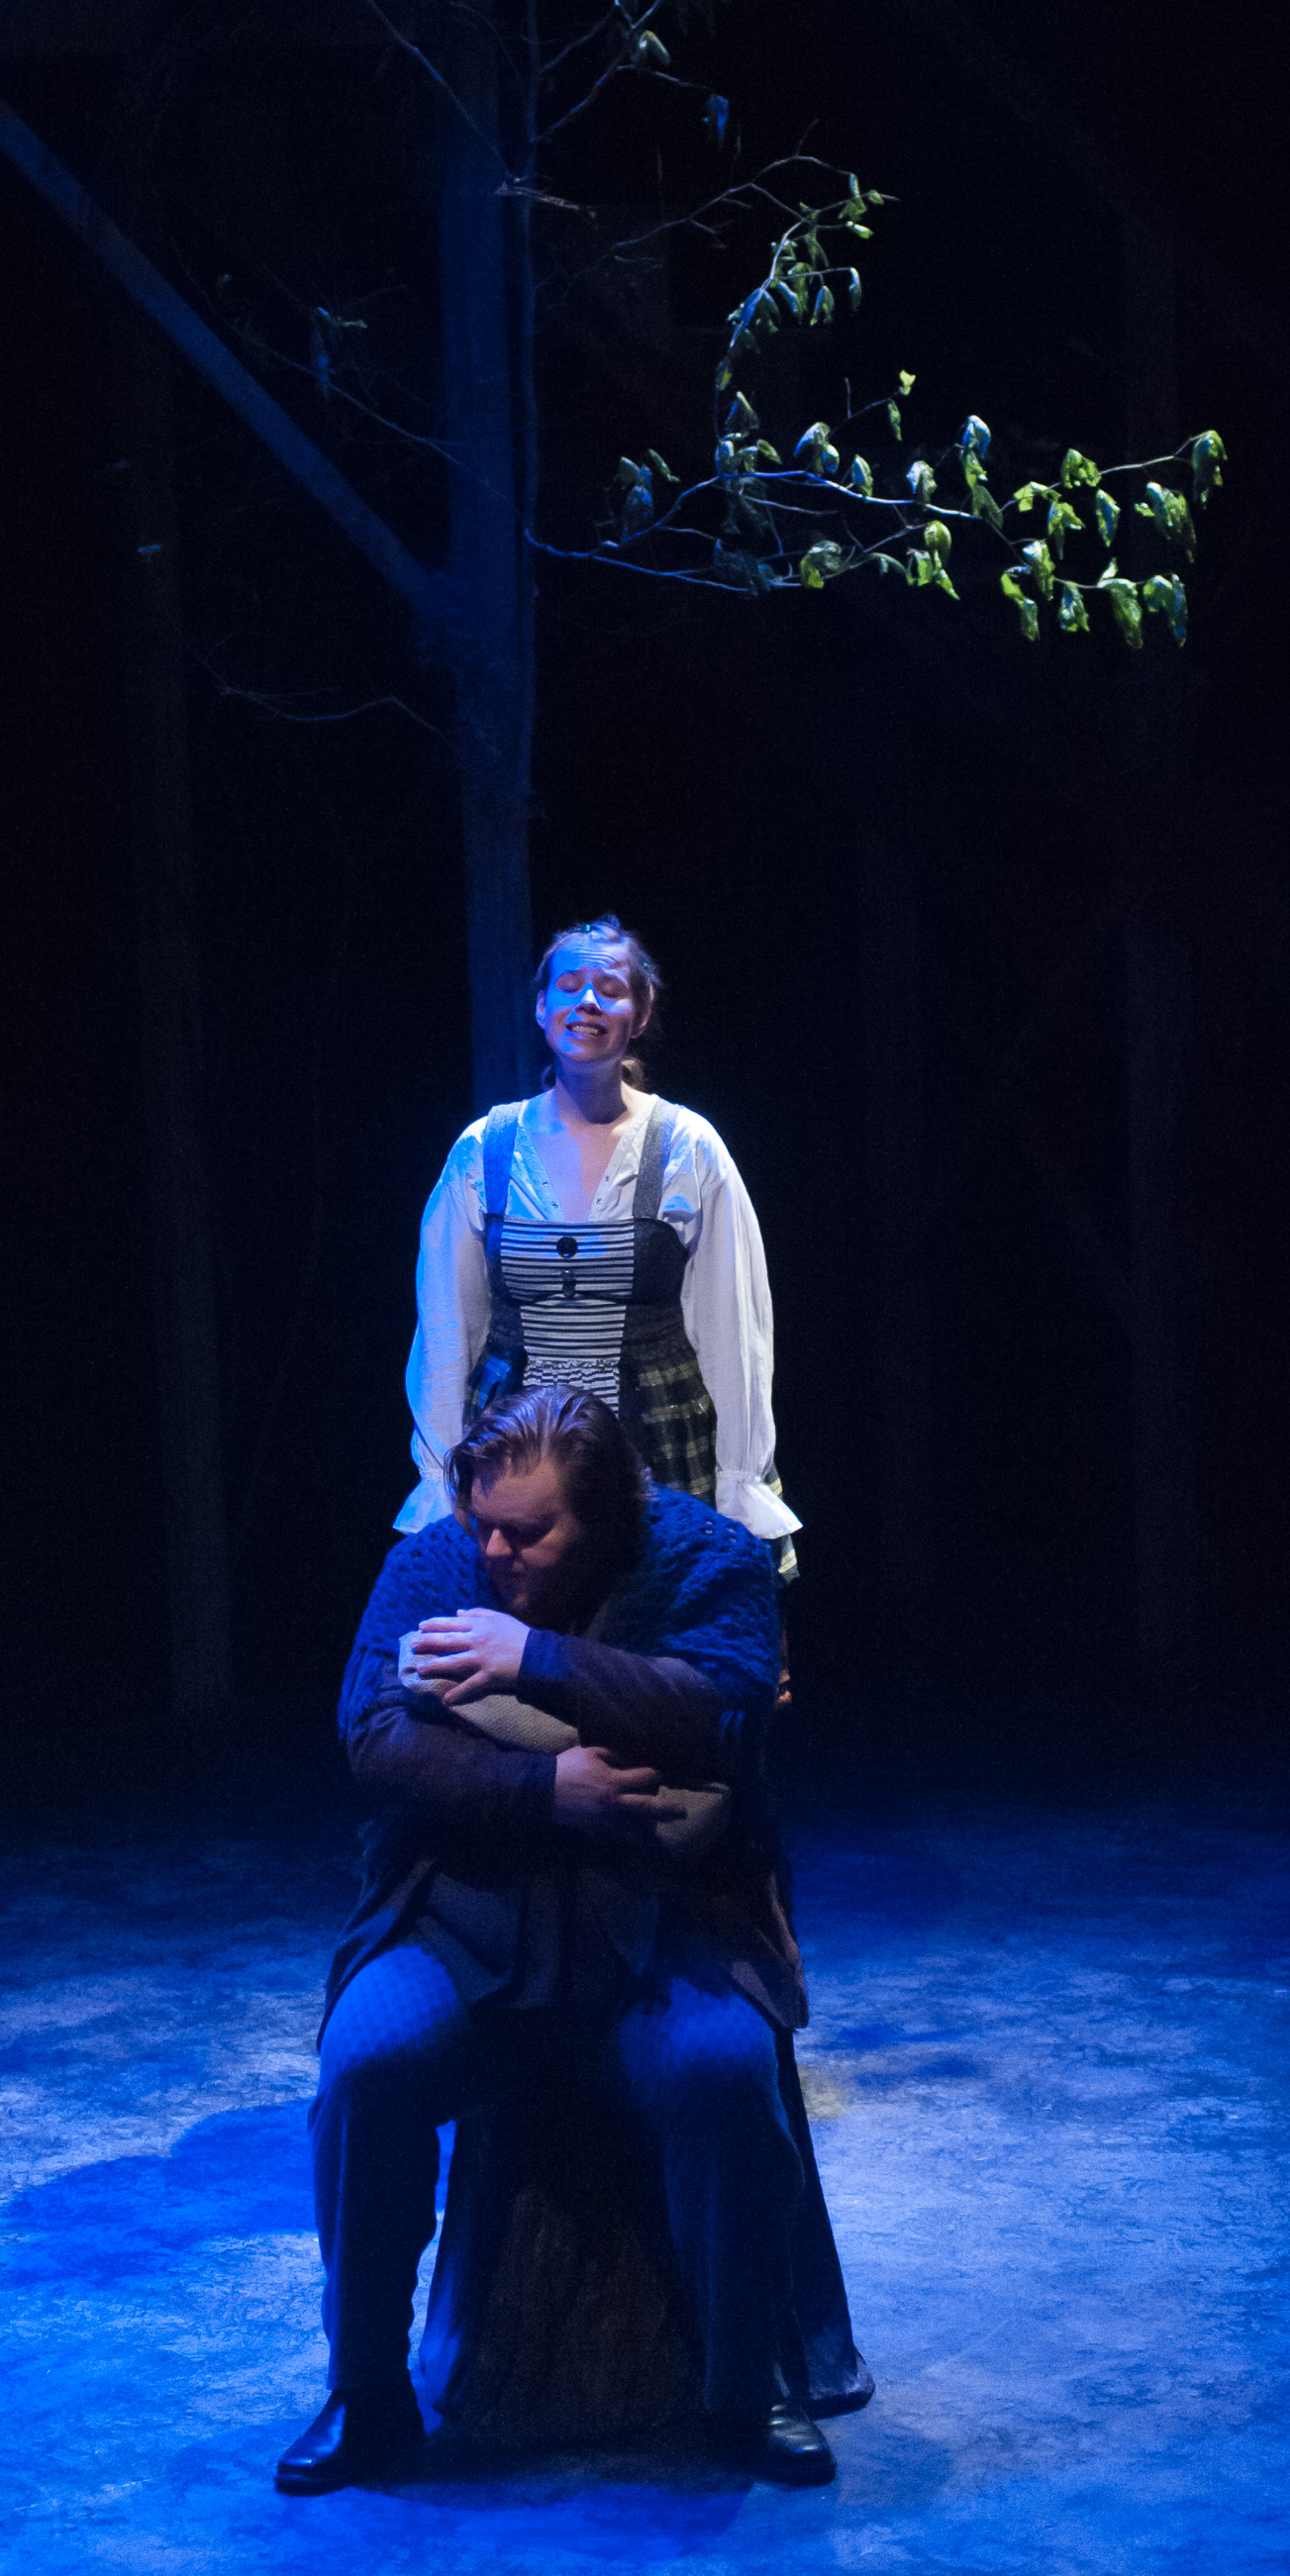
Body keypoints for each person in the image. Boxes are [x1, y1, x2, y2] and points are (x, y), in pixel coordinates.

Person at [274, 1382, 870, 2495]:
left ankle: (749, 2389)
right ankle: (367, 2395)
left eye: (528, 1533)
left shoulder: (707, 1560)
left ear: (608, 1515)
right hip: (467, 1918)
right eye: (483, 1522)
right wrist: (549, 1788)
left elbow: (729, 1712)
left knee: (725, 2074)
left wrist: (529, 1662)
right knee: (363, 2065)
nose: (494, 1551)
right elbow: (374, 1732)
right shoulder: (436, 1560)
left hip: (665, 1927)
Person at [396, 916, 799, 1578]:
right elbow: (445, 1330)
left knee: (650, 1639)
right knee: (517, 1645)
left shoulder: (688, 1147)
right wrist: (445, 1475)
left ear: (638, 1016)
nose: (587, 1001)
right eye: (570, 986)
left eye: (609, 989)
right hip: (514, 1455)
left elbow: (735, 1330)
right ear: (540, 1007)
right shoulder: (485, 1150)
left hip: (659, 1443)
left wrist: (738, 1480)